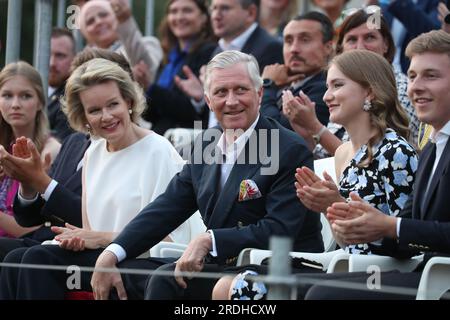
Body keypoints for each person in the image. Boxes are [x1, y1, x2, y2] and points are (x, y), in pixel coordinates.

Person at [89, 50, 323, 300]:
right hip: (222, 266)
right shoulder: (207, 144)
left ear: (259, 93)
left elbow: (280, 230)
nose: (231, 101)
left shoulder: (288, 149)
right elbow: (167, 208)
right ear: (209, 101)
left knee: (164, 281)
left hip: (279, 269)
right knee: (120, 274)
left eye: (241, 90)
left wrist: (209, 240)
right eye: (221, 92)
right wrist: (112, 253)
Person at [217, 49, 418, 300]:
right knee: (230, 283)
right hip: (345, 265)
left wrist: (337, 205)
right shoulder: (344, 152)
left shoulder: (396, 152)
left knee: (246, 288)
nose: (326, 96)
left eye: (337, 85)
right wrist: (328, 209)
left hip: (381, 276)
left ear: (369, 92)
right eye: (327, 86)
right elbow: (346, 241)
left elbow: (405, 242)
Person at [0, 58, 202, 299]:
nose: (106, 116)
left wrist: (98, 239)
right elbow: (89, 230)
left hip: (146, 264)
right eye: (94, 110)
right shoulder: (93, 152)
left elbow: (167, 240)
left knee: (38, 259)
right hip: (101, 257)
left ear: (128, 101)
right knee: (14, 260)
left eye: (112, 104)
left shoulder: (158, 151)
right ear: (83, 116)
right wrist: (80, 239)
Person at [304, 29, 450, 300]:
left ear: (369, 93)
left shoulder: (397, 151)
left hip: (432, 280)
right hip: (398, 269)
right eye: (413, 76)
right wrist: (338, 211)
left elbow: (399, 235)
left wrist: (388, 226)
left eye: (431, 75)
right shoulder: (432, 148)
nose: (415, 86)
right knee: (258, 278)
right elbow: (399, 239)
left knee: (320, 295)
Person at [0, 49, 135, 264]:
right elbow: (29, 218)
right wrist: (28, 184)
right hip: (46, 241)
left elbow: (97, 219)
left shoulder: (129, 149)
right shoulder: (74, 142)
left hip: (88, 250)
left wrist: (41, 180)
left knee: (30, 259)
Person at [287, 9, 418, 159]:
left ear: (386, 44)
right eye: (352, 40)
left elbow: (373, 162)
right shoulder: (341, 90)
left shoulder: (402, 89)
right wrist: (307, 136)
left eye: (369, 37)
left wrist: (316, 128)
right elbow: (326, 160)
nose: (360, 46)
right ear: (341, 48)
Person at [174, 0, 284, 128]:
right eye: (213, 8)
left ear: (250, 12)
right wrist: (201, 98)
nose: (216, 15)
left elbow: (265, 109)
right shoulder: (218, 49)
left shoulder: (270, 48)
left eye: (225, 8)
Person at [0, 62, 61, 240]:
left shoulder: (51, 150)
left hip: (23, 249)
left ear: (41, 102)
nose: (15, 104)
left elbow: (30, 226)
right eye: (7, 96)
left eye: (26, 96)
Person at [138, 0, 217, 135]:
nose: (179, 17)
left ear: (204, 17)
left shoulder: (210, 54)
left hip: (188, 143)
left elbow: (191, 112)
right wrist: (143, 89)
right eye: (173, 11)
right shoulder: (168, 58)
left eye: (187, 11)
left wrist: (151, 88)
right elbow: (151, 115)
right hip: (160, 138)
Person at [260, 12, 333, 145]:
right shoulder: (283, 83)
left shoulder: (327, 88)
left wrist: (267, 85)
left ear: (328, 47)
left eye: (305, 40)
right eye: (288, 41)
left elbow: (271, 134)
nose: (294, 49)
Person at [78, 0, 163, 86]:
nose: (98, 22)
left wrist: (125, 22)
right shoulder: (82, 64)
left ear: (116, 16)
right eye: (90, 21)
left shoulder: (148, 44)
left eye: (103, 15)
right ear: (84, 31)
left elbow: (147, 69)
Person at [366, 0, 440, 73]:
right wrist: (371, 8)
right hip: (385, 70)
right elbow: (373, 33)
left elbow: (431, 35)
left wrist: (401, 3)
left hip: (414, 71)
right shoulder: (384, 4)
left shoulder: (435, 3)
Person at [48, 28, 77, 142]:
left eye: (60, 56)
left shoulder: (72, 99)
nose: (52, 63)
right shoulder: (29, 89)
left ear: (74, 58)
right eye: (47, 54)